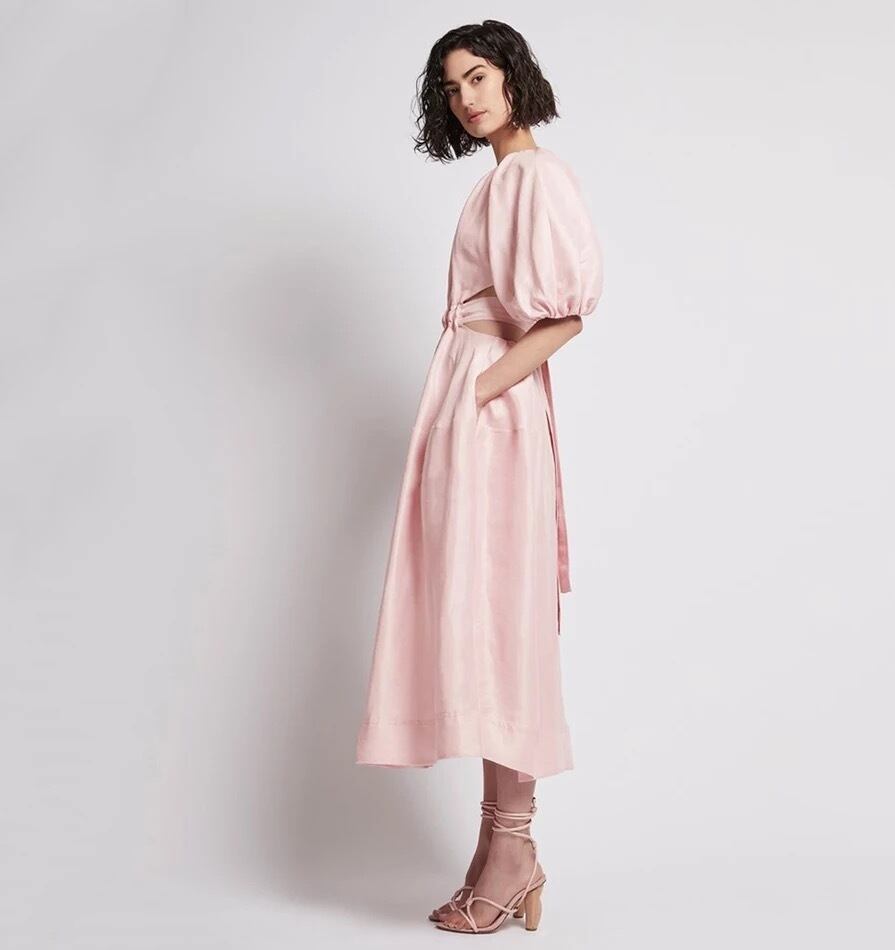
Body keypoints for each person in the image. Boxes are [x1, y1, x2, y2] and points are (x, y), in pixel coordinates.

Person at [354, 19, 604, 934]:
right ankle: (501, 847)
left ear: (513, 77)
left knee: (502, 624)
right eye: (452, 86)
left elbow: (566, 313)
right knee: (486, 622)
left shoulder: (533, 177)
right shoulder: (503, 179)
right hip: (474, 406)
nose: (466, 97)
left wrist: (480, 391)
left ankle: (514, 847)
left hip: (488, 410)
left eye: (480, 76)